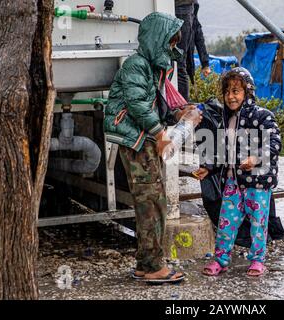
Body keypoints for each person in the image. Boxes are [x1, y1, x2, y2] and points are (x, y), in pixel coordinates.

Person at [104, 12, 200, 284]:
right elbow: (137, 105)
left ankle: (146, 264)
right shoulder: (136, 65)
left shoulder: (153, 68)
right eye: (170, 42)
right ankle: (153, 266)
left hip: (143, 138)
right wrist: (160, 133)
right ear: (157, 39)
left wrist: (178, 115)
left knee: (153, 201)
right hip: (137, 139)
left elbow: (156, 106)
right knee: (151, 202)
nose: (172, 49)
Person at [194, 67, 282, 277]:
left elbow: (275, 142)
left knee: (258, 225)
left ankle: (258, 260)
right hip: (233, 184)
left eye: (236, 91)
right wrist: (209, 169)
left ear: (247, 93)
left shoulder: (262, 116)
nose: (231, 96)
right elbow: (224, 152)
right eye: (227, 92)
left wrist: (256, 158)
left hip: (257, 184)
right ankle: (221, 259)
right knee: (226, 223)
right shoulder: (227, 120)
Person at [175, 0, 211, 101]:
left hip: (181, 7)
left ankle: (182, 107)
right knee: (178, 65)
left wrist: (205, 63)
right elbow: (197, 32)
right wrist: (205, 63)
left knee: (179, 65)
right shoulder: (190, 10)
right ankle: (182, 106)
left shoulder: (188, 10)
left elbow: (197, 32)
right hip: (180, 7)